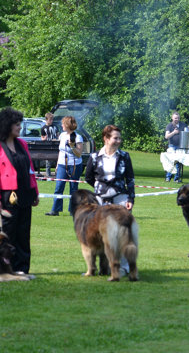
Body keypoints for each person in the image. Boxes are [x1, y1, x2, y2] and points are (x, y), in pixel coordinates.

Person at [0, 107, 39, 274]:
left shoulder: (22, 144)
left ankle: (22, 268)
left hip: (25, 194)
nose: (20, 127)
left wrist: (35, 192)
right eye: (17, 124)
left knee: (24, 233)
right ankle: (4, 267)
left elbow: (30, 169)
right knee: (8, 234)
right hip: (7, 196)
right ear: (7, 125)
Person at [85, 125, 135, 276]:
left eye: (120, 138)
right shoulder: (95, 157)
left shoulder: (124, 156)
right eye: (115, 138)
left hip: (120, 200)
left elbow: (130, 179)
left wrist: (130, 198)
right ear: (106, 139)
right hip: (100, 202)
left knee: (122, 234)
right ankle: (104, 266)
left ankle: (124, 267)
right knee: (101, 235)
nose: (118, 141)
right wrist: (100, 188)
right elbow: (88, 177)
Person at [45, 116, 83, 216]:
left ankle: (73, 210)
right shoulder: (62, 135)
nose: (61, 125)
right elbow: (61, 151)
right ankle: (55, 210)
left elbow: (79, 154)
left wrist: (72, 147)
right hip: (62, 164)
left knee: (73, 188)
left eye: (63, 123)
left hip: (74, 165)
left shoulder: (78, 137)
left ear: (67, 125)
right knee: (59, 187)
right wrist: (57, 164)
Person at [164, 111, 189, 182]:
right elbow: (166, 136)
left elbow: (187, 132)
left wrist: (188, 129)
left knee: (179, 162)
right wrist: (173, 132)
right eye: (175, 118)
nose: (177, 119)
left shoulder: (183, 125)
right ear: (172, 118)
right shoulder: (169, 126)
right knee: (171, 161)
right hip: (172, 146)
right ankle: (168, 177)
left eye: (178, 118)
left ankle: (177, 178)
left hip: (180, 146)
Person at [40, 112, 59, 177]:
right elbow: (42, 137)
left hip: (56, 146)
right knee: (48, 162)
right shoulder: (43, 128)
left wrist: (57, 139)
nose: (51, 121)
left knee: (57, 161)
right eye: (50, 119)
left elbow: (58, 135)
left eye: (52, 119)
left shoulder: (55, 127)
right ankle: (48, 175)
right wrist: (44, 139)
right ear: (46, 119)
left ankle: (57, 175)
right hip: (48, 147)